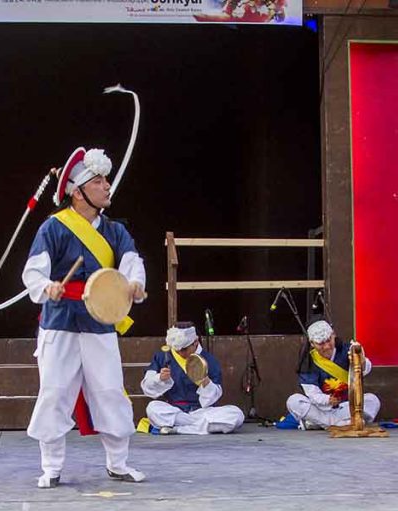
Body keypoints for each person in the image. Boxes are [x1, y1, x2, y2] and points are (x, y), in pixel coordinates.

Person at [22, 147, 147, 489]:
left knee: (109, 390)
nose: (108, 186)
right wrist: (48, 287)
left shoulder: (115, 231)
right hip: (60, 320)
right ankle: (51, 467)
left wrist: (134, 283)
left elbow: (131, 260)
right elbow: (34, 271)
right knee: (55, 391)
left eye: (107, 180)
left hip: (99, 320)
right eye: (100, 181)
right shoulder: (54, 228)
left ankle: (118, 463)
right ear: (78, 192)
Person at [140, 323, 245, 435]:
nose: (181, 353)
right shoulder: (161, 356)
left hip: (202, 411)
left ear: (195, 342)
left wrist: (206, 382)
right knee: (153, 408)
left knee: (236, 414)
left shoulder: (209, 360)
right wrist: (159, 379)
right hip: (176, 411)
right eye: (177, 350)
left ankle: (178, 429)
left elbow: (215, 395)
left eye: (184, 349)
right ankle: (198, 427)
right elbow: (147, 388)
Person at [285, 320, 379, 429]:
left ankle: (321, 423)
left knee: (372, 400)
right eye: (320, 344)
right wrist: (328, 400)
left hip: (347, 406)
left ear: (333, 335)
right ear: (312, 343)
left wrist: (361, 360)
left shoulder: (347, 350)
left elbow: (364, 371)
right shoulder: (308, 362)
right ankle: (341, 423)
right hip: (323, 408)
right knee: (294, 401)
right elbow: (313, 394)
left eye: (329, 340)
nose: (326, 347)